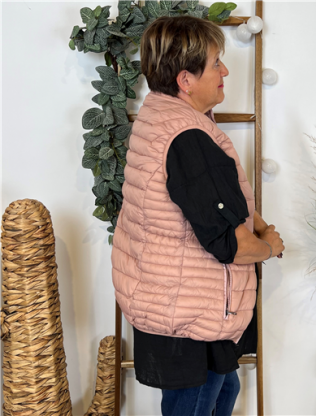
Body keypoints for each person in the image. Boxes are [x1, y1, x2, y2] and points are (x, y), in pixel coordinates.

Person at [111, 15, 284, 416]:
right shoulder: (188, 138)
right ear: (186, 80)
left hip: (176, 303)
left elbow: (213, 199)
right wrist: (269, 247)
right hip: (189, 317)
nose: (225, 72)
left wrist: (256, 222)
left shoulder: (162, 115)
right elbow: (231, 245)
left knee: (225, 390)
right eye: (215, 63)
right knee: (199, 402)